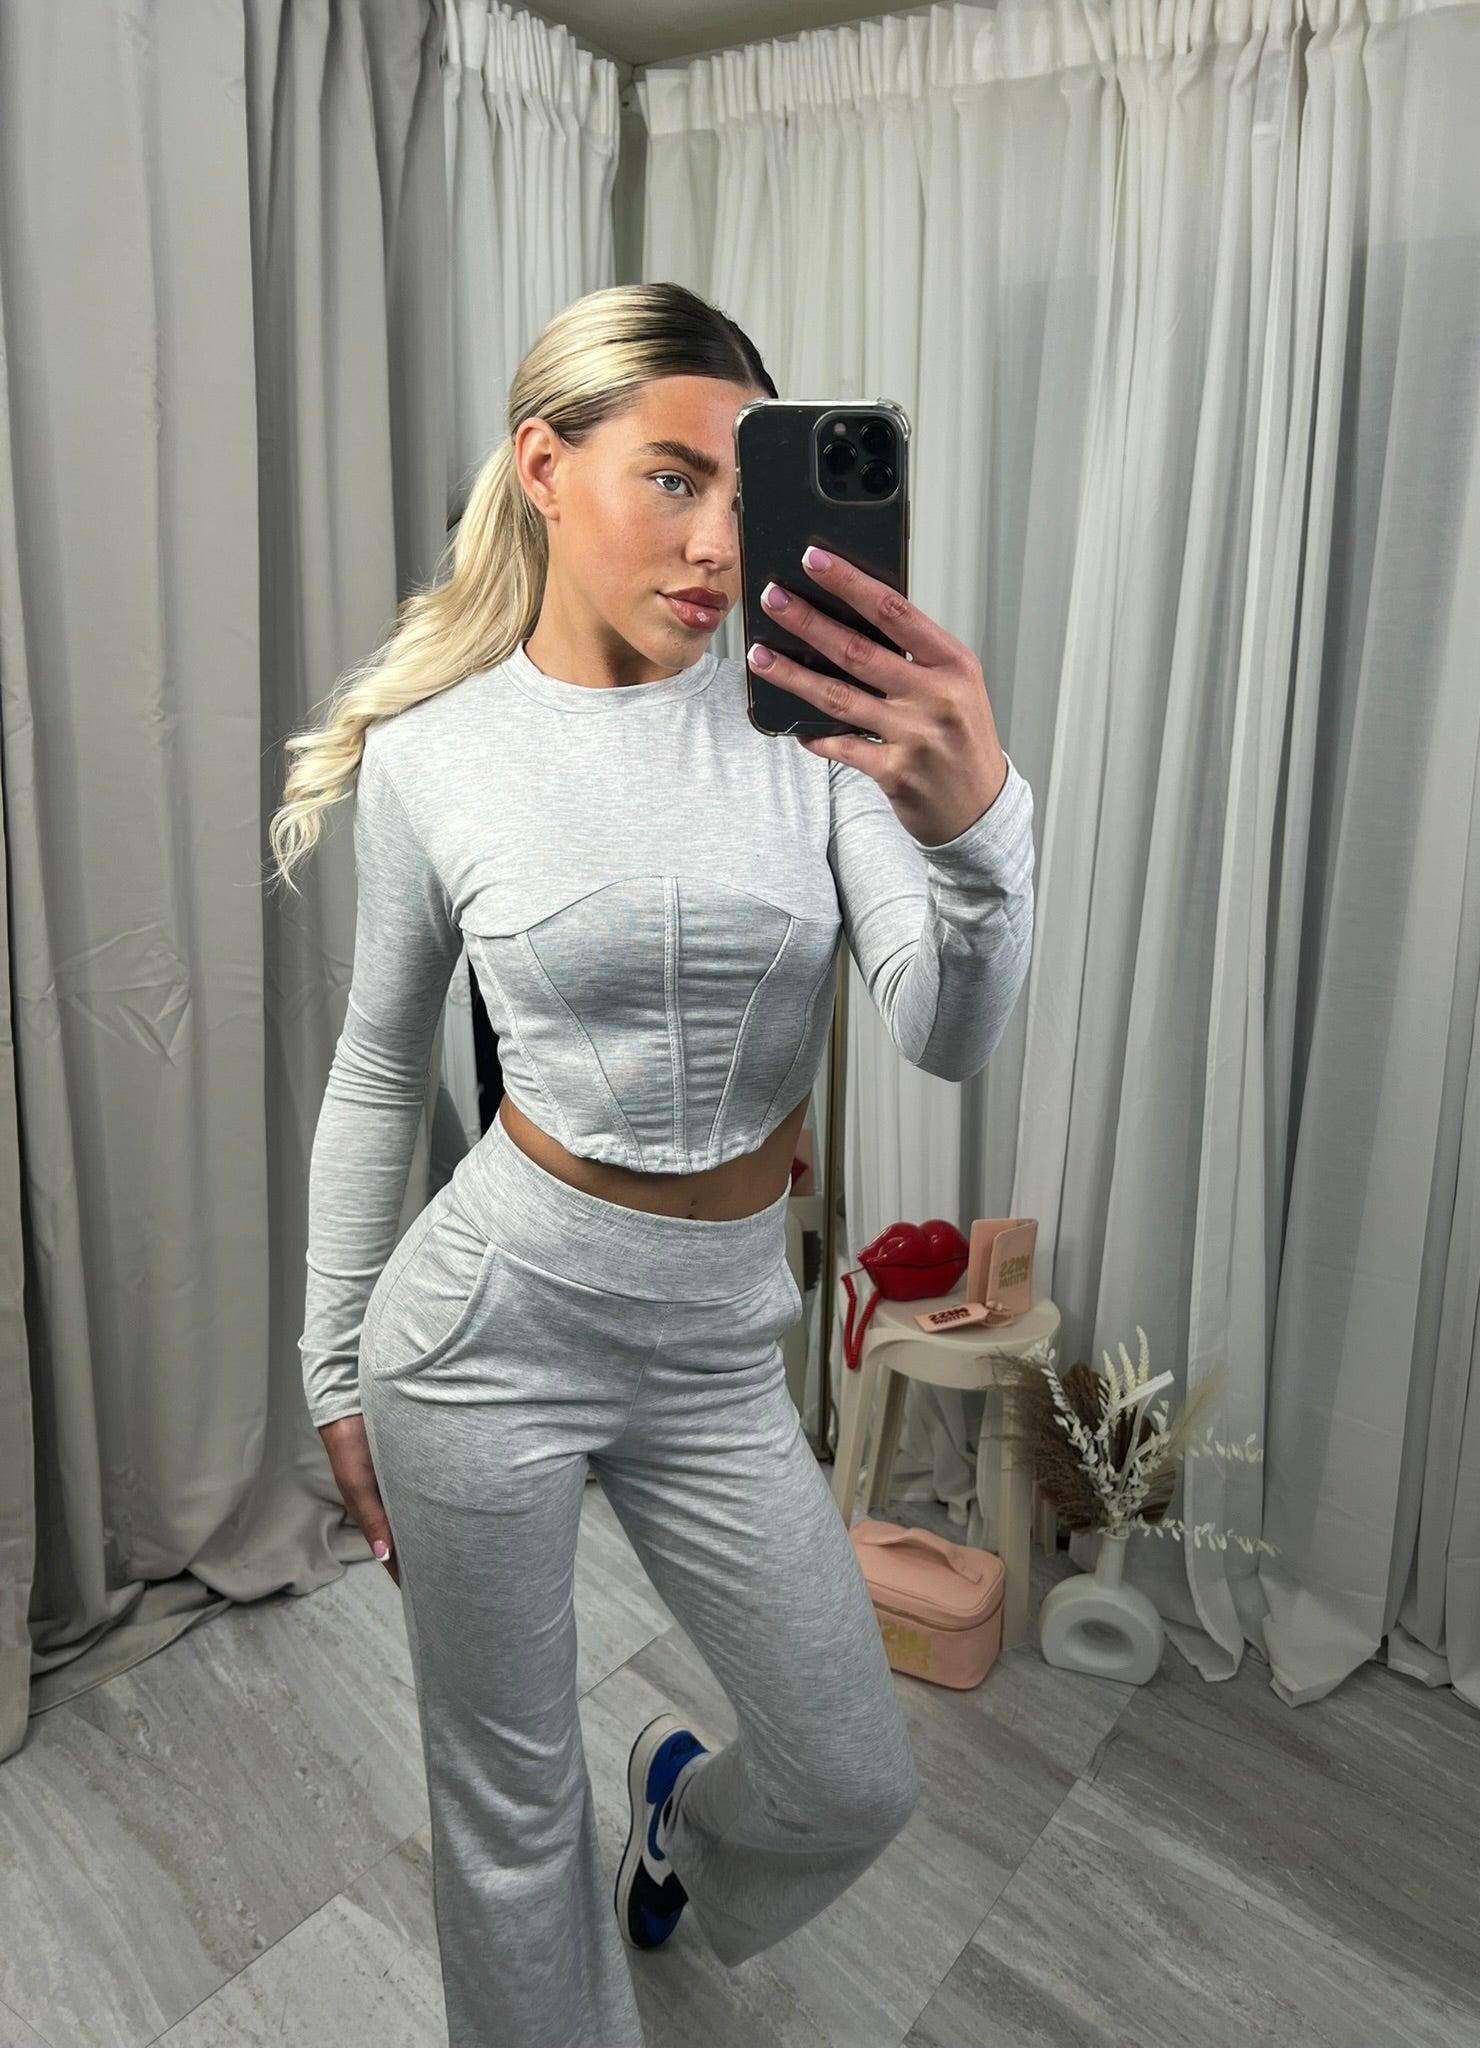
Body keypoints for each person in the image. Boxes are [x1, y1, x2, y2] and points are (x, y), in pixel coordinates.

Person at [266, 281, 1036, 2048]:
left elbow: (947, 1029)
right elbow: (378, 1068)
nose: (716, 547)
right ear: (545, 464)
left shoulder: (812, 731)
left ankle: (678, 1820)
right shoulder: (439, 758)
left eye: (745, 499)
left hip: (713, 1352)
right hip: (485, 1334)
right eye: (674, 480)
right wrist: (332, 1362)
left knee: (850, 1778)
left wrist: (978, 833)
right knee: (512, 1821)